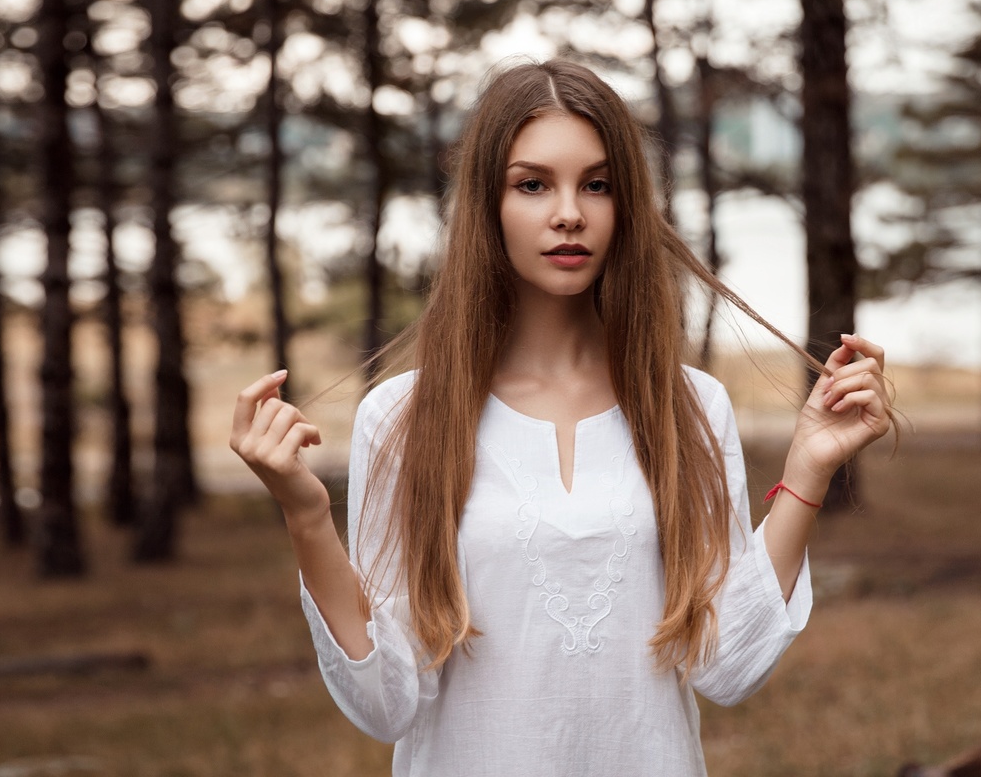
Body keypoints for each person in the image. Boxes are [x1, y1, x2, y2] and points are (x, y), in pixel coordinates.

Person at [230, 59, 893, 776]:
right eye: (533, 184)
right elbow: (388, 702)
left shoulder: (691, 408)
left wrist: (808, 472)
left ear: (625, 207)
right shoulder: (402, 417)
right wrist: (305, 515)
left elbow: (724, 665)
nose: (569, 211)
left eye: (597, 184)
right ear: (489, 203)